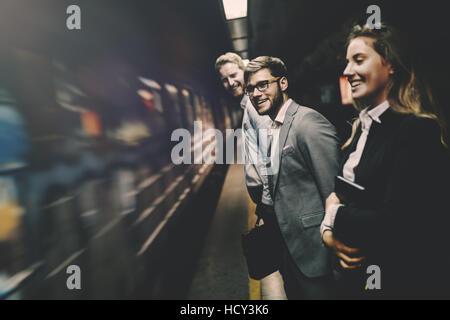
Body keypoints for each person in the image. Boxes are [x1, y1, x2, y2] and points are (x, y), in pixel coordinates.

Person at [320, 24, 450, 299]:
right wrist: (328, 235)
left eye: (358, 60)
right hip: (359, 283)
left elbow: (395, 224)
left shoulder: (416, 131)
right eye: (346, 62)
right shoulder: (362, 127)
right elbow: (343, 193)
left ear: (390, 65)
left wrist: (332, 214)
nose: (346, 71)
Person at [244, 56, 341, 299]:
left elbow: (335, 192)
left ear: (283, 83)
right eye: (250, 89)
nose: (256, 93)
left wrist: (336, 256)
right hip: (290, 254)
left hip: (317, 255)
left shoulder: (307, 123)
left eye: (263, 85)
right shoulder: (273, 127)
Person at [214, 52, 272, 205]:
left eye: (233, 75)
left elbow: (270, 154)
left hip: (268, 198)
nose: (231, 83)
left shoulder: (255, 105)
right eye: (224, 80)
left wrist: (267, 200)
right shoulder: (247, 104)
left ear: (245, 71)